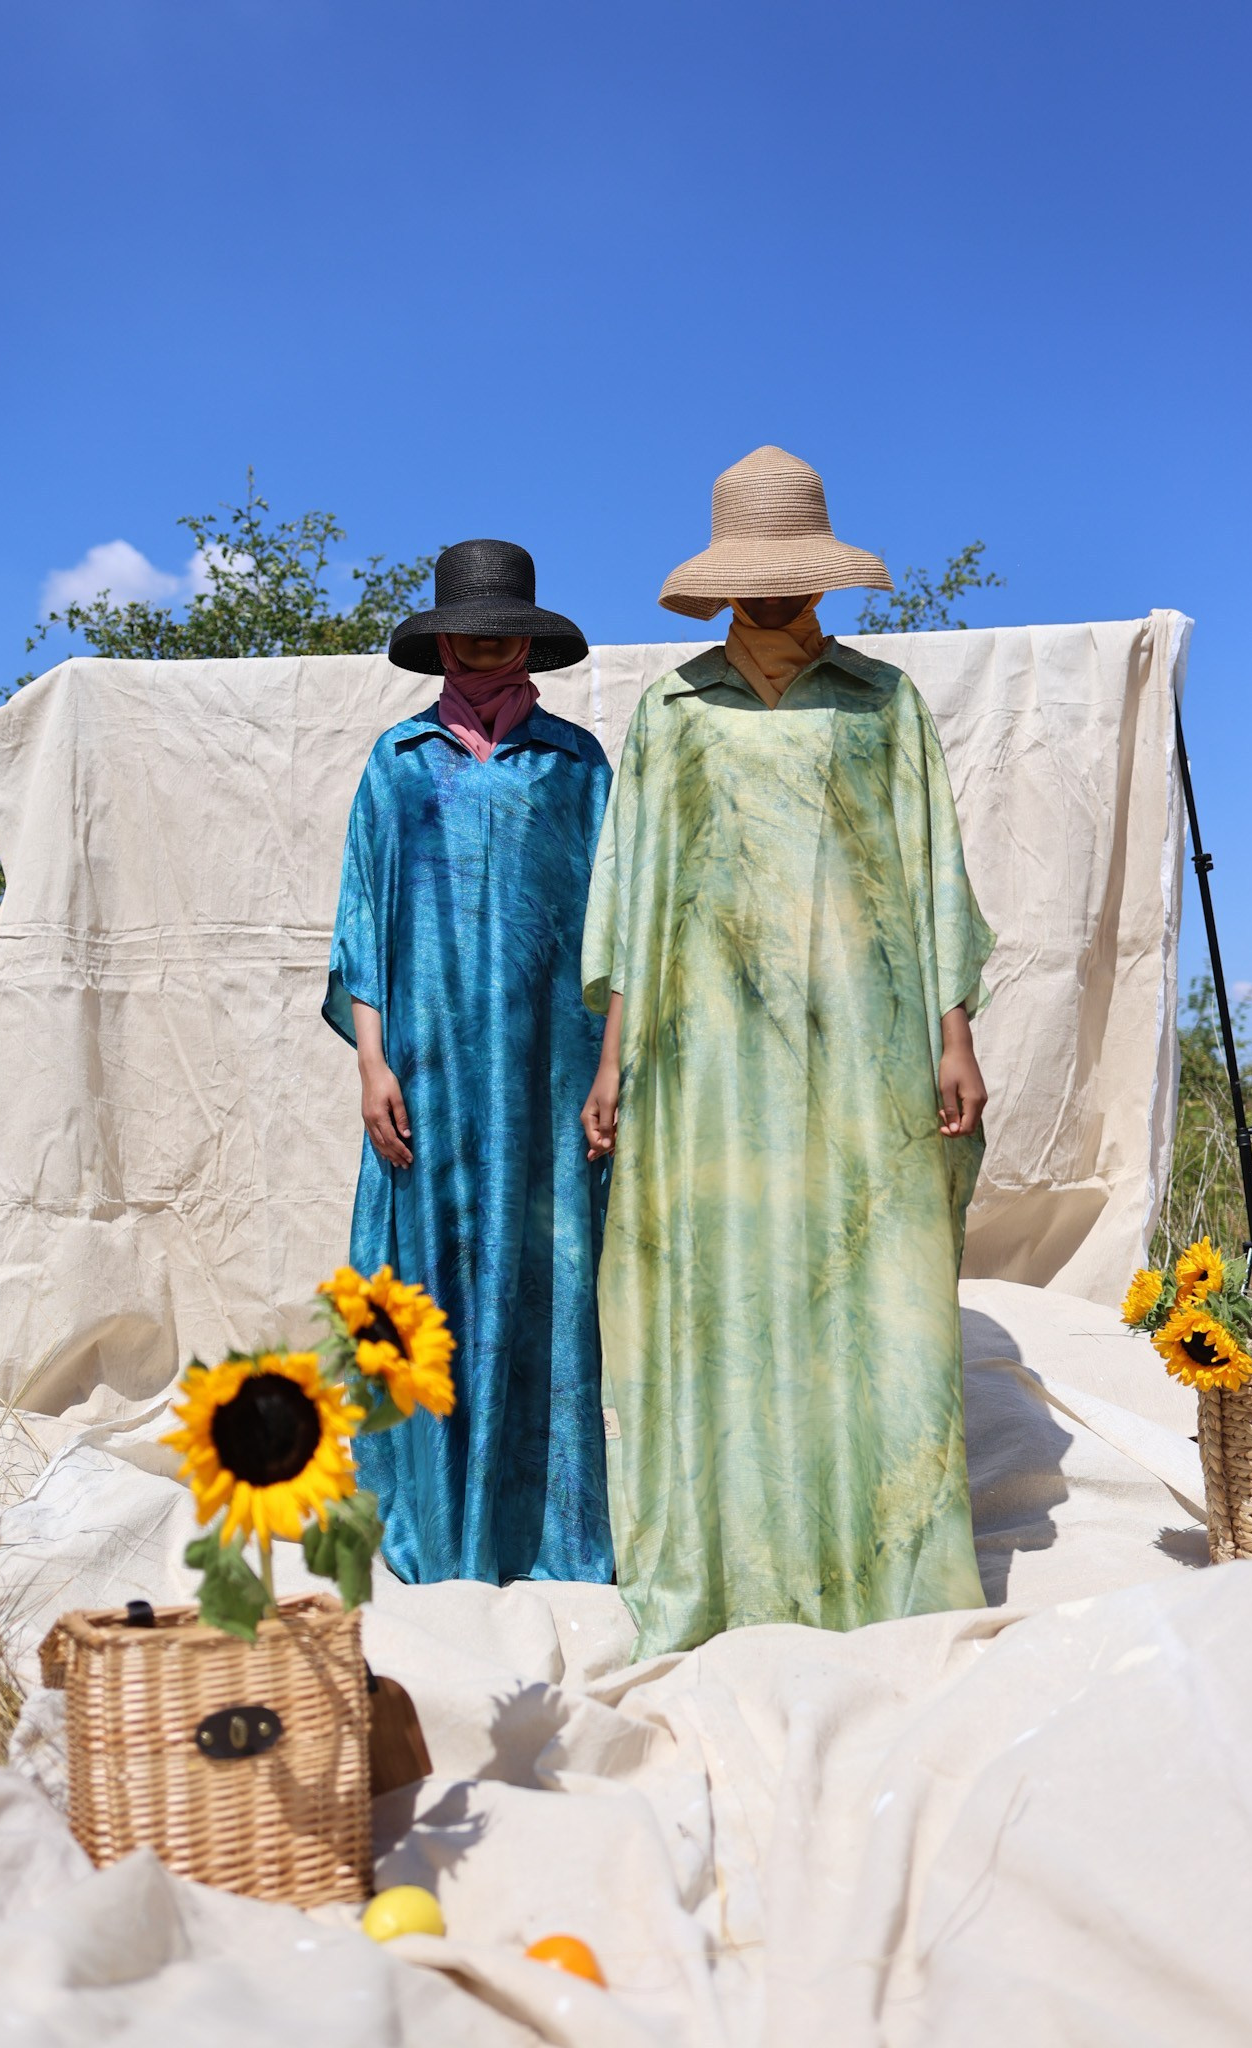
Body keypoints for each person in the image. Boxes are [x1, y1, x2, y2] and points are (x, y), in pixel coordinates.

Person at [580, 446, 994, 1659]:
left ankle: (882, 1558)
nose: (769, 592)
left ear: (821, 573)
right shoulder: (673, 711)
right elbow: (634, 898)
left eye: (787, 571)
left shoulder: (883, 703)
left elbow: (932, 871)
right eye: (751, 574)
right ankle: (728, 1560)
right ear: (721, 580)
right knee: (725, 1275)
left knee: (871, 1275)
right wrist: (612, 1057)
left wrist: (954, 1032)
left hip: (865, 1044)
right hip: (705, 1055)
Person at [324, 539, 614, 1586]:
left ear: (527, 638)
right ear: (441, 638)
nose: (485, 644)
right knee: (425, 1275)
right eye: (468, 627)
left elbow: (617, 929)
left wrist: (608, 1069)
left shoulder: (576, 764)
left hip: (547, 1075)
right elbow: (361, 921)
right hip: (427, 1072)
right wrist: (371, 1062)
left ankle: (547, 1532)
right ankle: (432, 1526)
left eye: (502, 628)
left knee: (547, 1275)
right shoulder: (397, 762)